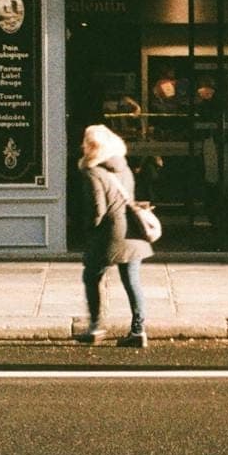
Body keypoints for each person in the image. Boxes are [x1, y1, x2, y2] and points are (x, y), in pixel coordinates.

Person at [76, 124, 152, 348]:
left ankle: (96, 326)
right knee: (132, 281)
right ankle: (139, 330)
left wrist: (88, 229)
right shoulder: (123, 166)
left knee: (92, 276)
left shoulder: (92, 171)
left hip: (110, 234)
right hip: (132, 231)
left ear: (92, 146)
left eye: (86, 142)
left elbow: (97, 209)